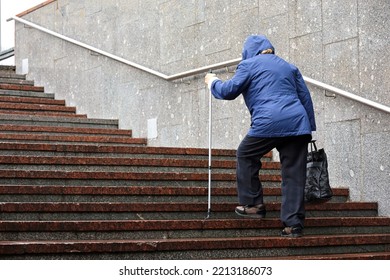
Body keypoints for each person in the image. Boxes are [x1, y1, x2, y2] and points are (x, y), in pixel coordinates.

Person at [204, 35, 316, 237]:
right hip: (298, 124)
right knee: (294, 174)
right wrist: (308, 129)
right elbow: (305, 98)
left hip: (269, 121)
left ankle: (253, 205)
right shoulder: (289, 66)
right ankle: (293, 225)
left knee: (246, 154)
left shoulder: (248, 65)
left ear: (248, 51)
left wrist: (213, 82)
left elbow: (229, 91)